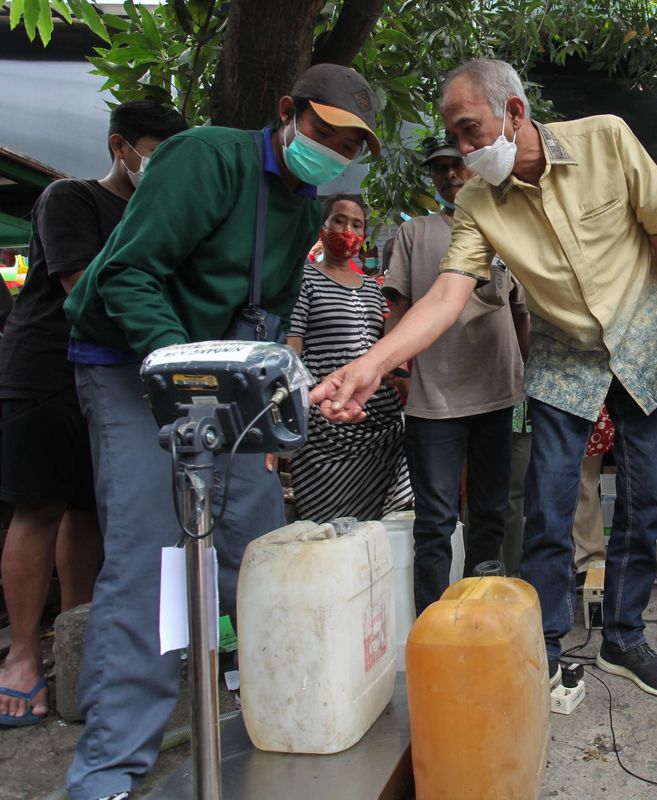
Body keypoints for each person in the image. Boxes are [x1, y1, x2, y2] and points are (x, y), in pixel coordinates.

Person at [311, 58, 657, 699]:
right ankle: (543, 646)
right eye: (454, 137)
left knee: (643, 502)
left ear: (514, 112)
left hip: (642, 342)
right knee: (546, 505)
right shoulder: (476, 201)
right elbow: (444, 297)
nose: (463, 152)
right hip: (561, 354)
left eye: (470, 131)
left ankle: (625, 638)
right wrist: (373, 363)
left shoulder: (606, 138)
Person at [62, 64, 380, 800]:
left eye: (349, 143)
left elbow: (261, 317)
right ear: (286, 110)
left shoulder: (304, 205)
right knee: (152, 556)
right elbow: (129, 276)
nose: (333, 149)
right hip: (128, 362)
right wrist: (184, 378)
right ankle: (110, 768)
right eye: (324, 130)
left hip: (217, 376)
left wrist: (282, 403)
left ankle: (286, 715)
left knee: (259, 544)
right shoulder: (205, 157)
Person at [0, 101, 186, 728]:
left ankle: (81, 642)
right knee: (37, 508)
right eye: (154, 149)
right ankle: (23, 655)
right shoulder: (70, 199)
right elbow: (85, 290)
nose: (160, 164)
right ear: (120, 146)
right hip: (48, 373)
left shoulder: (160, 216)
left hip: (119, 385)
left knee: (90, 512)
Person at [383, 135, 529, 611]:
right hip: (434, 400)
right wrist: (396, 370)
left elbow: (522, 311)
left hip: (498, 395)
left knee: (490, 515)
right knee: (434, 523)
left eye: (457, 165)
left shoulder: (507, 226)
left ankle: (479, 618)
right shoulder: (415, 234)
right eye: (439, 168)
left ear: (476, 169)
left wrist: (526, 379)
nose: (449, 174)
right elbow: (398, 309)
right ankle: (433, 624)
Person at [287, 195, 413, 522]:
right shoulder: (304, 279)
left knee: (384, 524)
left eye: (357, 224)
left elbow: (384, 349)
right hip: (326, 422)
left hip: (378, 419)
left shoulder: (373, 289)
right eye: (339, 221)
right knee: (329, 526)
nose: (348, 230)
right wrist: (293, 403)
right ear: (323, 227)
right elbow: (292, 347)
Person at [571, 407, 657, 592]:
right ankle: (589, 562)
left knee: (643, 470)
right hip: (588, 388)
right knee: (584, 475)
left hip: (630, 385)